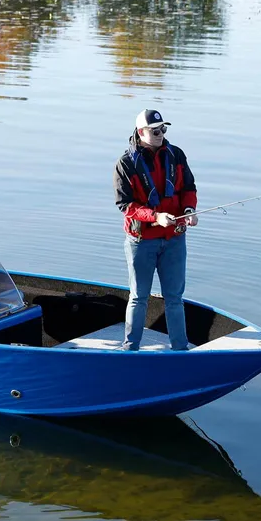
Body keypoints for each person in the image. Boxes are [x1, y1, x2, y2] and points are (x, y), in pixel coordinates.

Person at [113, 109, 198, 351]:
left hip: (174, 239)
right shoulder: (125, 164)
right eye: (155, 131)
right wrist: (155, 217)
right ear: (141, 132)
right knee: (139, 297)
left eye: (163, 129)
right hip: (141, 240)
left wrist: (189, 210)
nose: (161, 134)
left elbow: (189, 188)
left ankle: (180, 350)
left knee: (175, 298)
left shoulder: (176, 154)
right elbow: (125, 205)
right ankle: (130, 349)